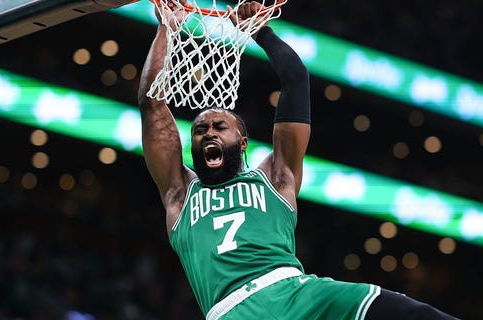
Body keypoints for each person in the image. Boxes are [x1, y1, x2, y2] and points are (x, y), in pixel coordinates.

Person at [137, 1, 460, 319]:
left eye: (220, 127)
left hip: (298, 290)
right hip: (235, 310)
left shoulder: (276, 177)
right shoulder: (180, 194)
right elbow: (152, 104)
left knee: (402, 310)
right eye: (200, 129)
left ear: (243, 142)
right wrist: (167, 26)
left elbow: (295, 81)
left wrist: (262, 32)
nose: (209, 133)